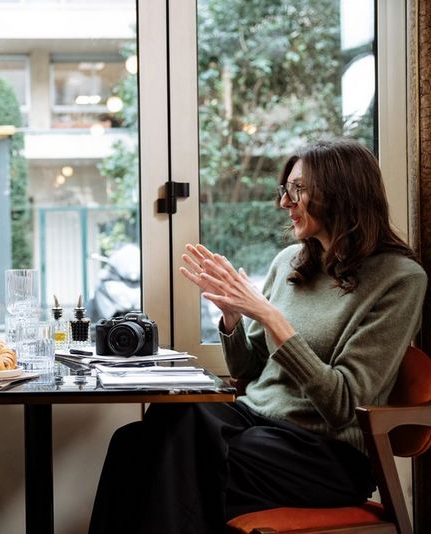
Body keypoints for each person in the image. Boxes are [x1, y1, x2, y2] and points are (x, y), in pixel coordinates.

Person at [88, 139, 428, 533]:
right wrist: (232, 318)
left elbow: (343, 404)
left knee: (174, 453)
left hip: (325, 455)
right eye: (285, 190)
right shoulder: (290, 264)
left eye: (297, 189)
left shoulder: (400, 279)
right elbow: (250, 371)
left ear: (342, 192)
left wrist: (270, 316)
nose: (285, 202)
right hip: (256, 422)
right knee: (137, 439)